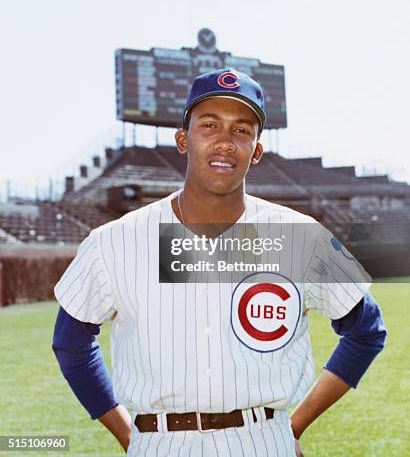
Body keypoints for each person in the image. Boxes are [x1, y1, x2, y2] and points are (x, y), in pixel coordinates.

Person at [52, 68, 386, 456]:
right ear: (183, 139)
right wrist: (130, 435)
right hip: (160, 444)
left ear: (257, 149)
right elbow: (71, 343)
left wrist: (292, 426)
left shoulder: (299, 235)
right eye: (209, 125)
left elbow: (366, 330)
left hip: (262, 440)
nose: (226, 141)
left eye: (242, 130)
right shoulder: (114, 241)